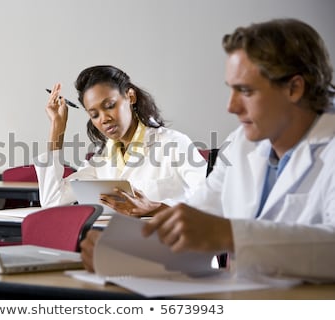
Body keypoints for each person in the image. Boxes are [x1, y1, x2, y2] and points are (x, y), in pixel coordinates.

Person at [81, 19, 335, 282]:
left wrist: (230, 235)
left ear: (294, 88)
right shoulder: (242, 144)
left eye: (245, 91)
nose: (231, 106)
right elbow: (196, 219)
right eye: (231, 89)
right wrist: (120, 251)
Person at [34, 65, 206, 215]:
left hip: (174, 247)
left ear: (130, 97)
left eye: (109, 106)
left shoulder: (173, 143)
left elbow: (212, 200)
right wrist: (57, 127)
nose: (104, 119)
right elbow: (53, 200)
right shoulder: (102, 160)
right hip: (127, 246)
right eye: (94, 115)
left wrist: (157, 208)